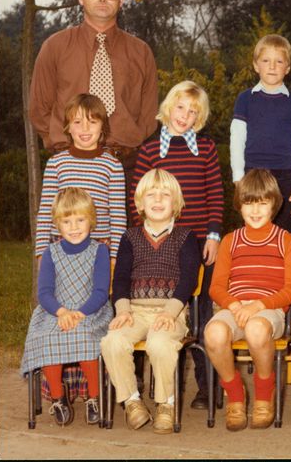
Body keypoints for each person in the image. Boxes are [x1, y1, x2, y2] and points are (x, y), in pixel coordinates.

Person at [130, 80, 223, 409]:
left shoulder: (206, 148)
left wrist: (213, 235)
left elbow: (215, 194)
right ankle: (141, 384)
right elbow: (138, 200)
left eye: (193, 111)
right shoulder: (150, 150)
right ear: (169, 107)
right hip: (163, 246)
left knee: (201, 315)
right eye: (181, 107)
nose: (185, 115)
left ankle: (207, 387)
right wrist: (149, 242)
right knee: (159, 310)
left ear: (200, 117)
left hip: (199, 245)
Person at [29, 0, 158, 176]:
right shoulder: (54, 47)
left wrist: (127, 141)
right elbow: (39, 108)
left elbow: (149, 114)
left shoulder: (141, 52)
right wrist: (65, 145)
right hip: (69, 165)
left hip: (126, 167)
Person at [100, 169, 200, 434]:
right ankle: (132, 401)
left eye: (165, 195)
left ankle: (166, 404)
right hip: (134, 312)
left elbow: (189, 279)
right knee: (112, 341)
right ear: (140, 203)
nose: (158, 200)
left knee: (160, 343)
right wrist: (122, 310)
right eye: (151, 195)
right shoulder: (129, 237)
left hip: (171, 312)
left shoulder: (186, 237)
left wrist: (170, 312)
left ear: (176, 203)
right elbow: (121, 278)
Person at [204, 169, 291, 431]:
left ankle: (264, 393)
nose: (255, 210)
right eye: (249, 203)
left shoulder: (287, 241)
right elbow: (216, 287)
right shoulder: (230, 241)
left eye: (262, 203)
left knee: (256, 329)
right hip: (235, 308)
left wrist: (258, 305)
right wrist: (235, 305)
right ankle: (235, 395)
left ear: (274, 205)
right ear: (239, 205)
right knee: (213, 333)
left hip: (269, 310)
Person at [21, 187, 113, 426]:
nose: (74, 227)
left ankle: (94, 396)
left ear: (91, 220)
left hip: (91, 309)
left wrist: (80, 314)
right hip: (56, 310)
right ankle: (57, 397)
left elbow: (100, 292)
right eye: (67, 221)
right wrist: (62, 312)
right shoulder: (50, 253)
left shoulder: (100, 251)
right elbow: (44, 293)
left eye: (80, 220)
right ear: (57, 224)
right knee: (47, 337)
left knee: (85, 335)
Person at [229, 34, 291, 234]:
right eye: (266, 61)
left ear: (287, 68)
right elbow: (237, 139)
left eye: (279, 61)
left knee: (282, 233)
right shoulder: (245, 99)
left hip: (285, 176)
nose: (272, 66)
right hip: (252, 174)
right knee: (254, 229)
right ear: (256, 65)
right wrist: (238, 177)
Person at [35, 93, 126, 262]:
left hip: (99, 248)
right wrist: (41, 252)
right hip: (60, 246)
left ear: (103, 127)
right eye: (77, 122)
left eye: (92, 122)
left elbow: (118, 216)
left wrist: (115, 256)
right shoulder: (56, 164)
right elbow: (46, 211)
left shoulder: (113, 166)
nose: (85, 128)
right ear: (68, 127)